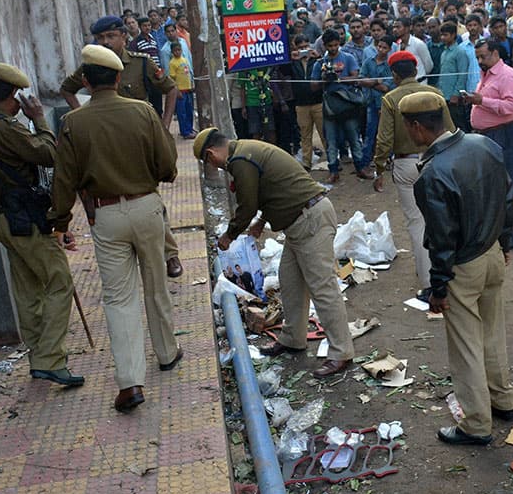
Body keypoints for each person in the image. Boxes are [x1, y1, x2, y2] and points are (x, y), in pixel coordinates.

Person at [50, 45, 182, 412]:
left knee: (118, 299)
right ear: (120, 78)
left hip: (105, 216)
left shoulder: (73, 123)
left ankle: (130, 383)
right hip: (146, 205)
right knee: (156, 283)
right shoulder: (142, 112)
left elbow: (64, 179)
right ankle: (168, 353)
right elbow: (168, 166)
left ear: (87, 83)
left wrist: (61, 222)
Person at [400, 91, 513, 446]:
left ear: (418, 128)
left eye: (408, 128)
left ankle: (477, 424)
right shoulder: (483, 145)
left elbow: (441, 238)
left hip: (463, 266)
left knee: (466, 347)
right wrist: (505, 244)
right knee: (492, 333)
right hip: (493, 252)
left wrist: (437, 288)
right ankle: (504, 401)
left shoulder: (432, 174)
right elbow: (508, 198)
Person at [195, 129, 355, 376]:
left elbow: (247, 204)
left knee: (322, 289)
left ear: (211, 153)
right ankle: (293, 338)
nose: (214, 166)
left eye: (209, 162)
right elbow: (275, 189)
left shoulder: (240, 160)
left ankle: (341, 353)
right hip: (300, 221)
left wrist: (230, 235)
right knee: (290, 282)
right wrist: (261, 221)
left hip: (309, 220)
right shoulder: (246, 151)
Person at [0, 63, 83, 387]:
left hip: (1, 217)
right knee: (60, 282)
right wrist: (40, 120)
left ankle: (38, 357)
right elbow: (48, 154)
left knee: (29, 290)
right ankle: (50, 360)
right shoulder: (4, 128)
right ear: (14, 97)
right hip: (25, 219)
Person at [58, 15, 183, 278]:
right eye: (100, 38)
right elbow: (66, 89)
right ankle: (143, 254)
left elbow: (171, 89)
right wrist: (83, 115)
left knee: (148, 195)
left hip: (138, 141)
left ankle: (170, 254)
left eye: (110, 36)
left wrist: (163, 125)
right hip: (106, 141)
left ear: (124, 37)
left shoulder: (140, 63)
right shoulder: (91, 67)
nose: (105, 42)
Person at [372, 51, 454, 297]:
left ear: (394, 75)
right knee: (446, 219)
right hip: (438, 160)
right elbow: (449, 129)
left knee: (417, 224)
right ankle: (451, 275)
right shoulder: (435, 94)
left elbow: (384, 139)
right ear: (416, 71)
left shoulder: (390, 99)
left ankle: (430, 284)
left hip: (407, 165)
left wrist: (378, 168)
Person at [460, 40, 513, 248]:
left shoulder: (507, 75)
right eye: (478, 57)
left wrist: (482, 101)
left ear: (495, 53)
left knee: (512, 183)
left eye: (483, 56)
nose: (480, 61)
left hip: (506, 133)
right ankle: (503, 230)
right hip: (490, 134)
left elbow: (511, 107)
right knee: (495, 185)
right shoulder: (487, 74)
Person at [312, 28, 371, 183]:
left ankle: (360, 167)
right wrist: (324, 79)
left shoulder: (348, 57)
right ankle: (333, 170)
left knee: (354, 137)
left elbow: (356, 77)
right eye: (330, 46)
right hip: (330, 106)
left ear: (340, 43)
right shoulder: (320, 63)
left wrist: (338, 78)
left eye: (336, 45)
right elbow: (312, 86)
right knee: (330, 140)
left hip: (348, 104)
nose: (333, 48)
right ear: (324, 45)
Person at [358, 34, 396, 170]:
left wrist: (370, 81)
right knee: (370, 133)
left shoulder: (390, 66)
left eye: (384, 48)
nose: (381, 49)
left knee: (386, 133)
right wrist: (376, 81)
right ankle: (365, 163)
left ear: (389, 49)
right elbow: (360, 80)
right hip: (371, 102)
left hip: (385, 103)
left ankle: (388, 159)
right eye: (379, 46)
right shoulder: (368, 61)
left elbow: (387, 87)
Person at [289, 35, 325, 171]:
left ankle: (332, 160)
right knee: (305, 134)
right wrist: (291, 58)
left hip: (317, 102)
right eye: (300, 48)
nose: (304, 50)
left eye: (306, 46)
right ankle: (306, 162)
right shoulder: (293, 62)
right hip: (301, 104)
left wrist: (318, 57)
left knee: (324, 133)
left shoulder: (316, 60)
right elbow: (283, 70)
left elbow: (327, 69)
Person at [167, 41, 196, 139]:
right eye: (175, 51)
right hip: (180, 91)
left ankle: (190, 128)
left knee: (189, 110)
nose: (177, 52)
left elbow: (189, 74)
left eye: (179, 50)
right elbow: (172, 78)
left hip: (188, 89)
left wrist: (191, 85)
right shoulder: (172, 63)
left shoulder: (184, 60)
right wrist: (177, 90)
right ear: (172, 52)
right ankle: (185, 131)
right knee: (182, 112)